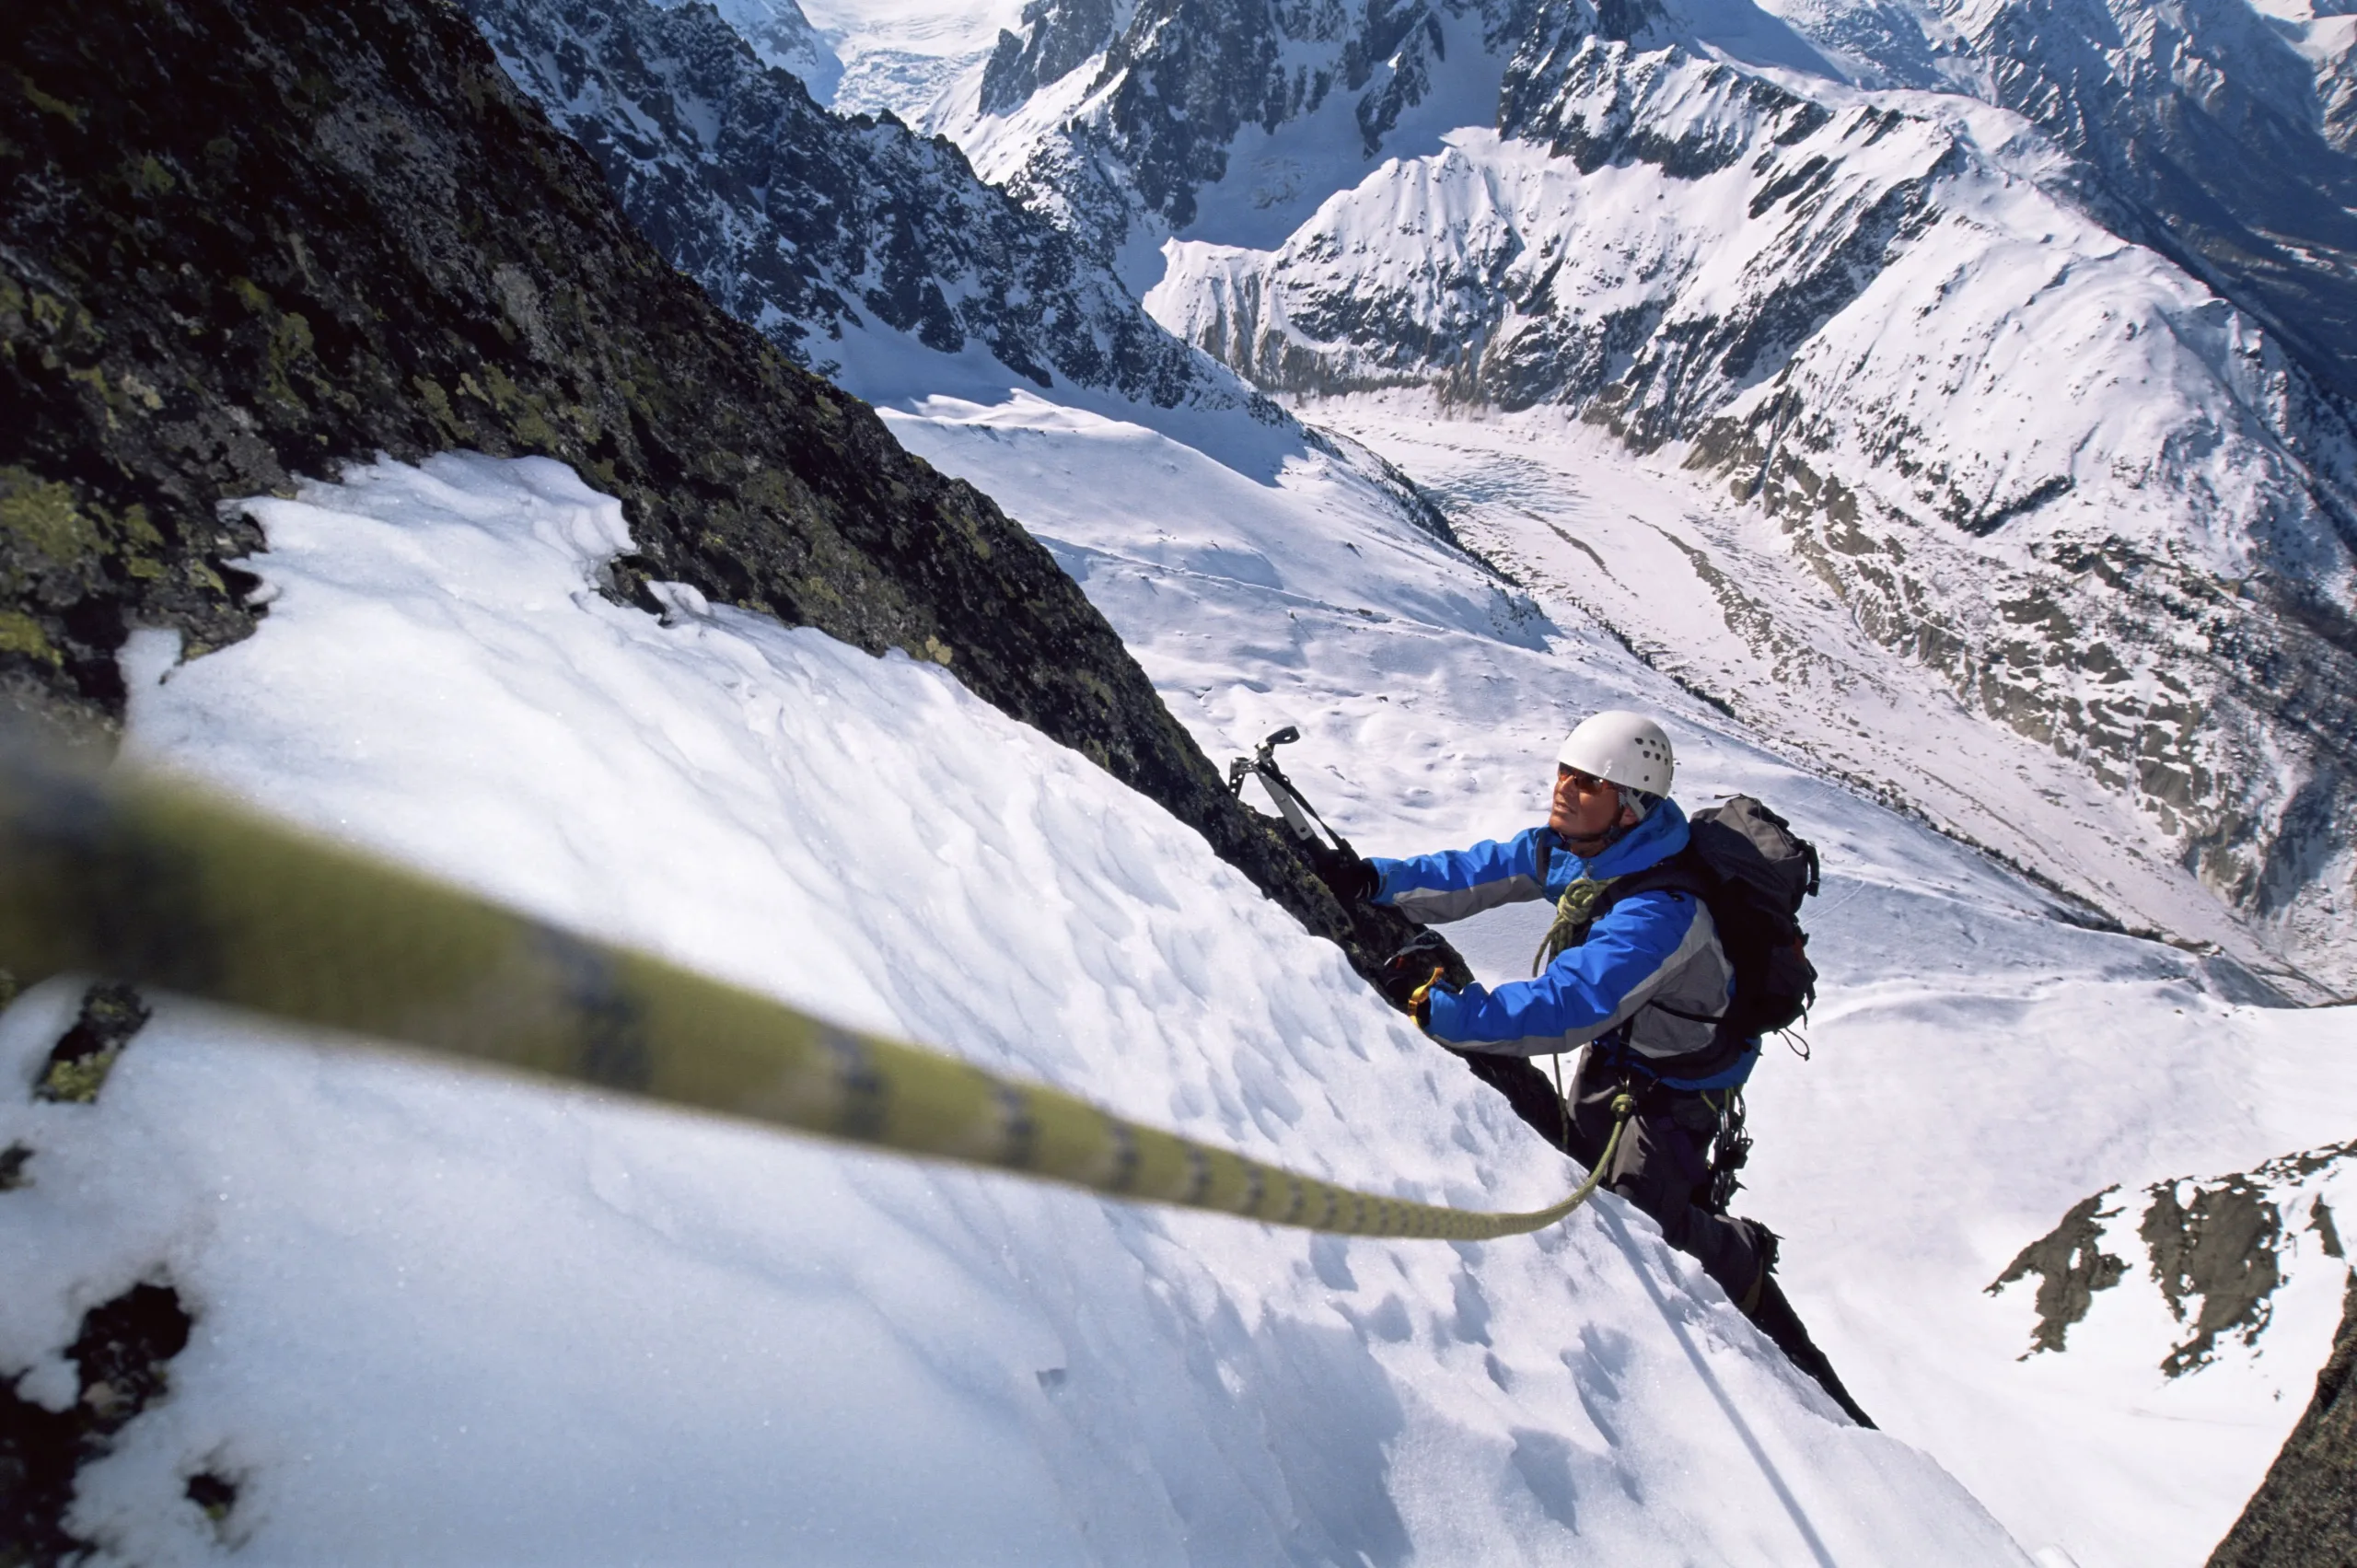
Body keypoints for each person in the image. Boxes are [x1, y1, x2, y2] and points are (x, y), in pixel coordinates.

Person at [1307, 710, 1772, 1310]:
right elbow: (1482, 870)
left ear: (1630, 804)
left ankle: (1740, 1249)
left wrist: (1449, 1012)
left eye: (1588, 782)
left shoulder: (1662, 913)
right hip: (1620, 1048)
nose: (1563, 788)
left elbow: (1569, 1005)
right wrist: (1378, 880)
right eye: (1565, 772)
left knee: (1643, 1224)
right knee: (1581, 1167)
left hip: (1681, 1085)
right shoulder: (1584, 847)